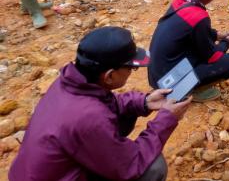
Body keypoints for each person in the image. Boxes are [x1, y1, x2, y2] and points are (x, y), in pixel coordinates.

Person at [9, 26, 191, 181]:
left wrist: (143, 102)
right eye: (131, 68)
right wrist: (167, 118)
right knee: (153, 168)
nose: (132, 72)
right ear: (110, 75)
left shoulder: (69, 84)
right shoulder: (89, 118)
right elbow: (132, 163)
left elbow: (105, 103)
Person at [148, 0, 229, 102]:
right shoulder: (199, 17)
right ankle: (190, 90)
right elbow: (212, 57)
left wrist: (218, 35)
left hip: (156, 74)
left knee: (197, 49)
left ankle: (184, 83)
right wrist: (226, 42)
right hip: (168, 84)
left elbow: (193, 31)